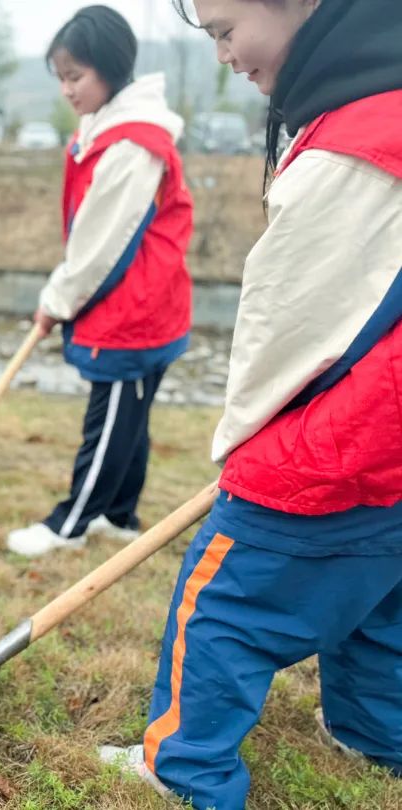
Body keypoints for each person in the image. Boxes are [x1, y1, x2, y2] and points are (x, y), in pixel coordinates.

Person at [100, 1, 402, 807]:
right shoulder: (387, 98)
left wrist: (245, 448)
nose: (226, 55)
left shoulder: (354, 142)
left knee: (222, 605)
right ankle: (376, 736)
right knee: (382, 593)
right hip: (393, 440)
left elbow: (292, 325)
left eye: (228, 29)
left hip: (347, 433)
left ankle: (185, 768)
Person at [5, 6, 193, 557]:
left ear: (110, 69)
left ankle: (73, 522)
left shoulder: (134, 143)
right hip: (136, 300)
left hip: (135, 306)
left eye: (75, 76)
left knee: (110, 420)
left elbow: (100, 243)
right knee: (128, 420)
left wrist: (57, 300)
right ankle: (118, 514)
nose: (66, 90)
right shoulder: (107, 128)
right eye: (60, 77)